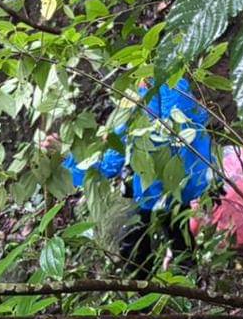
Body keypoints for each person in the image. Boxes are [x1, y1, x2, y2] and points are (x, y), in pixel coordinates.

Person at [64, 79, 212, 276]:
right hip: (182, 186)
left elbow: (114, 159)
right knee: (179, 241)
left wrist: (68, 161)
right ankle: (188, 288)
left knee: (138, 247)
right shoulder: (181, 91)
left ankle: (144, 293)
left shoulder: (150, 102)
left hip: (152, 189)